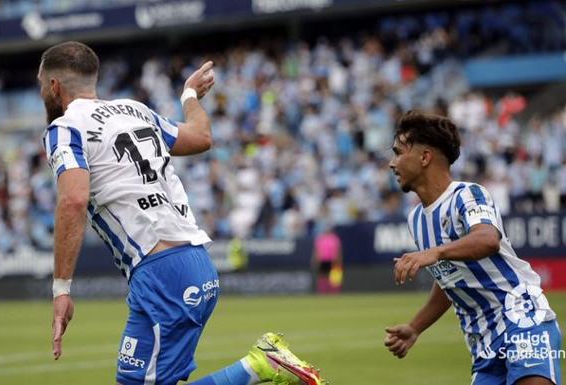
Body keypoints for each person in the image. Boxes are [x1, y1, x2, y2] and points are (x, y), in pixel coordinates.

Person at [37, 41, 324, 385]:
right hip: (194, 263)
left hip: (162, 274)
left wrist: (62, 289)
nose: (42, 92)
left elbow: (72, 201)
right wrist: (189, 96)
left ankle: (259, 366)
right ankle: (257, 366)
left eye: (41, 84)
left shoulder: (65, 128)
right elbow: (201, 137)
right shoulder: (134, 110)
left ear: (54, 86)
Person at [385, 111, 561, 385]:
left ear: (424, 157)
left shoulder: (468, 194)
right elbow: (450, 280)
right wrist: (414, 327)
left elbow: (487, 239)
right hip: (483, 346)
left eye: (398, 153)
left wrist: (435, 252)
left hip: (522, 320)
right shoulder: (416, 219)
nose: (391, 163)